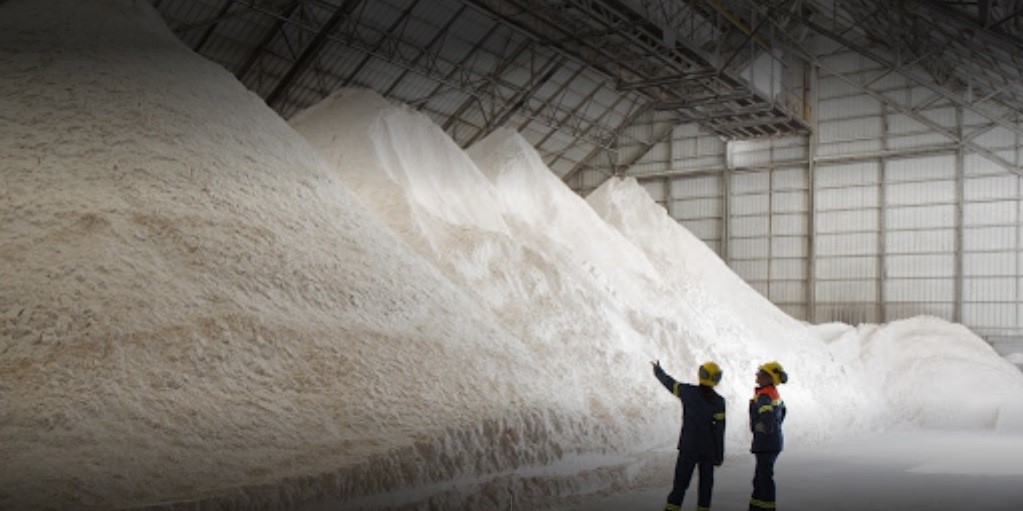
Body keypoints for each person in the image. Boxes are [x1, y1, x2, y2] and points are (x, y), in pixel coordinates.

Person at [652, 360, 726, 511]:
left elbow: (670, 383)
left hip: (688, 447)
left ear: (701, 374)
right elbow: (720, 431)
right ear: (716, 379)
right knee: (705, 488)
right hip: (708, 450)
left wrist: (658, 372)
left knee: (680, 485)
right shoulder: (719, 402)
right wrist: (719, 455)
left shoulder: (688, 392)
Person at [748, 361, 788, 511]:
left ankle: (766, 508)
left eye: (760, 373)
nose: (757, 375)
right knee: (761, 478)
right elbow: (783, 412)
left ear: (768, 378)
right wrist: (774, 428)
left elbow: (767, 421)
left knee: (763, 479)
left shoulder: (765, 395)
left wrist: (758, 429)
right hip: (771, 442)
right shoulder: (772, 393)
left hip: (766, 443)